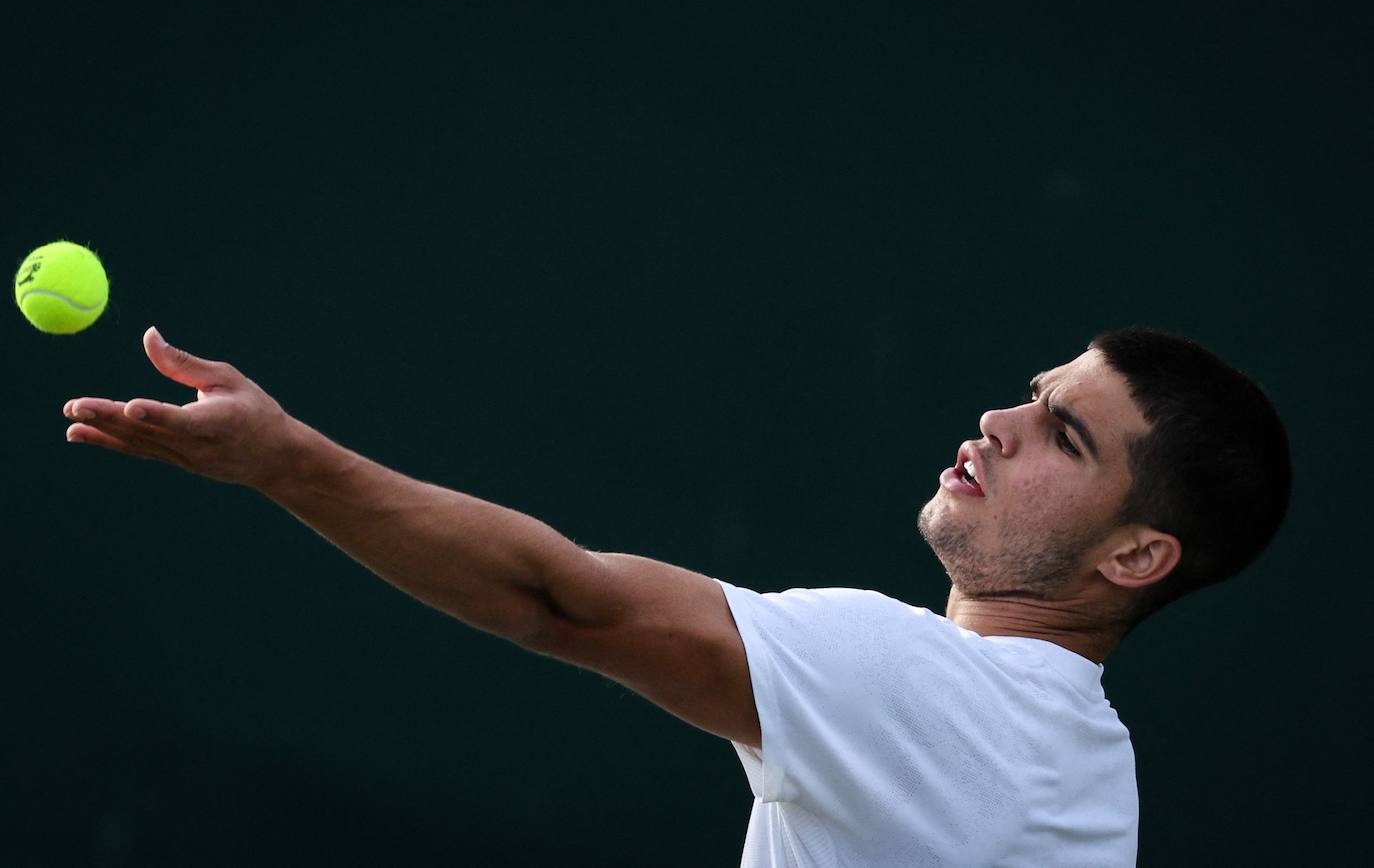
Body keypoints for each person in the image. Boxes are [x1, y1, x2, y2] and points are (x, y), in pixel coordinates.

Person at [62, 325, 1290, 867]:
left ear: (1135, 556)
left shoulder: (933, 696)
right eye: (1032, 389)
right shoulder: (1077, 757)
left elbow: (562, 602)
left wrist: (281, 458)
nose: (1000, 422)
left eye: (1064, 435)